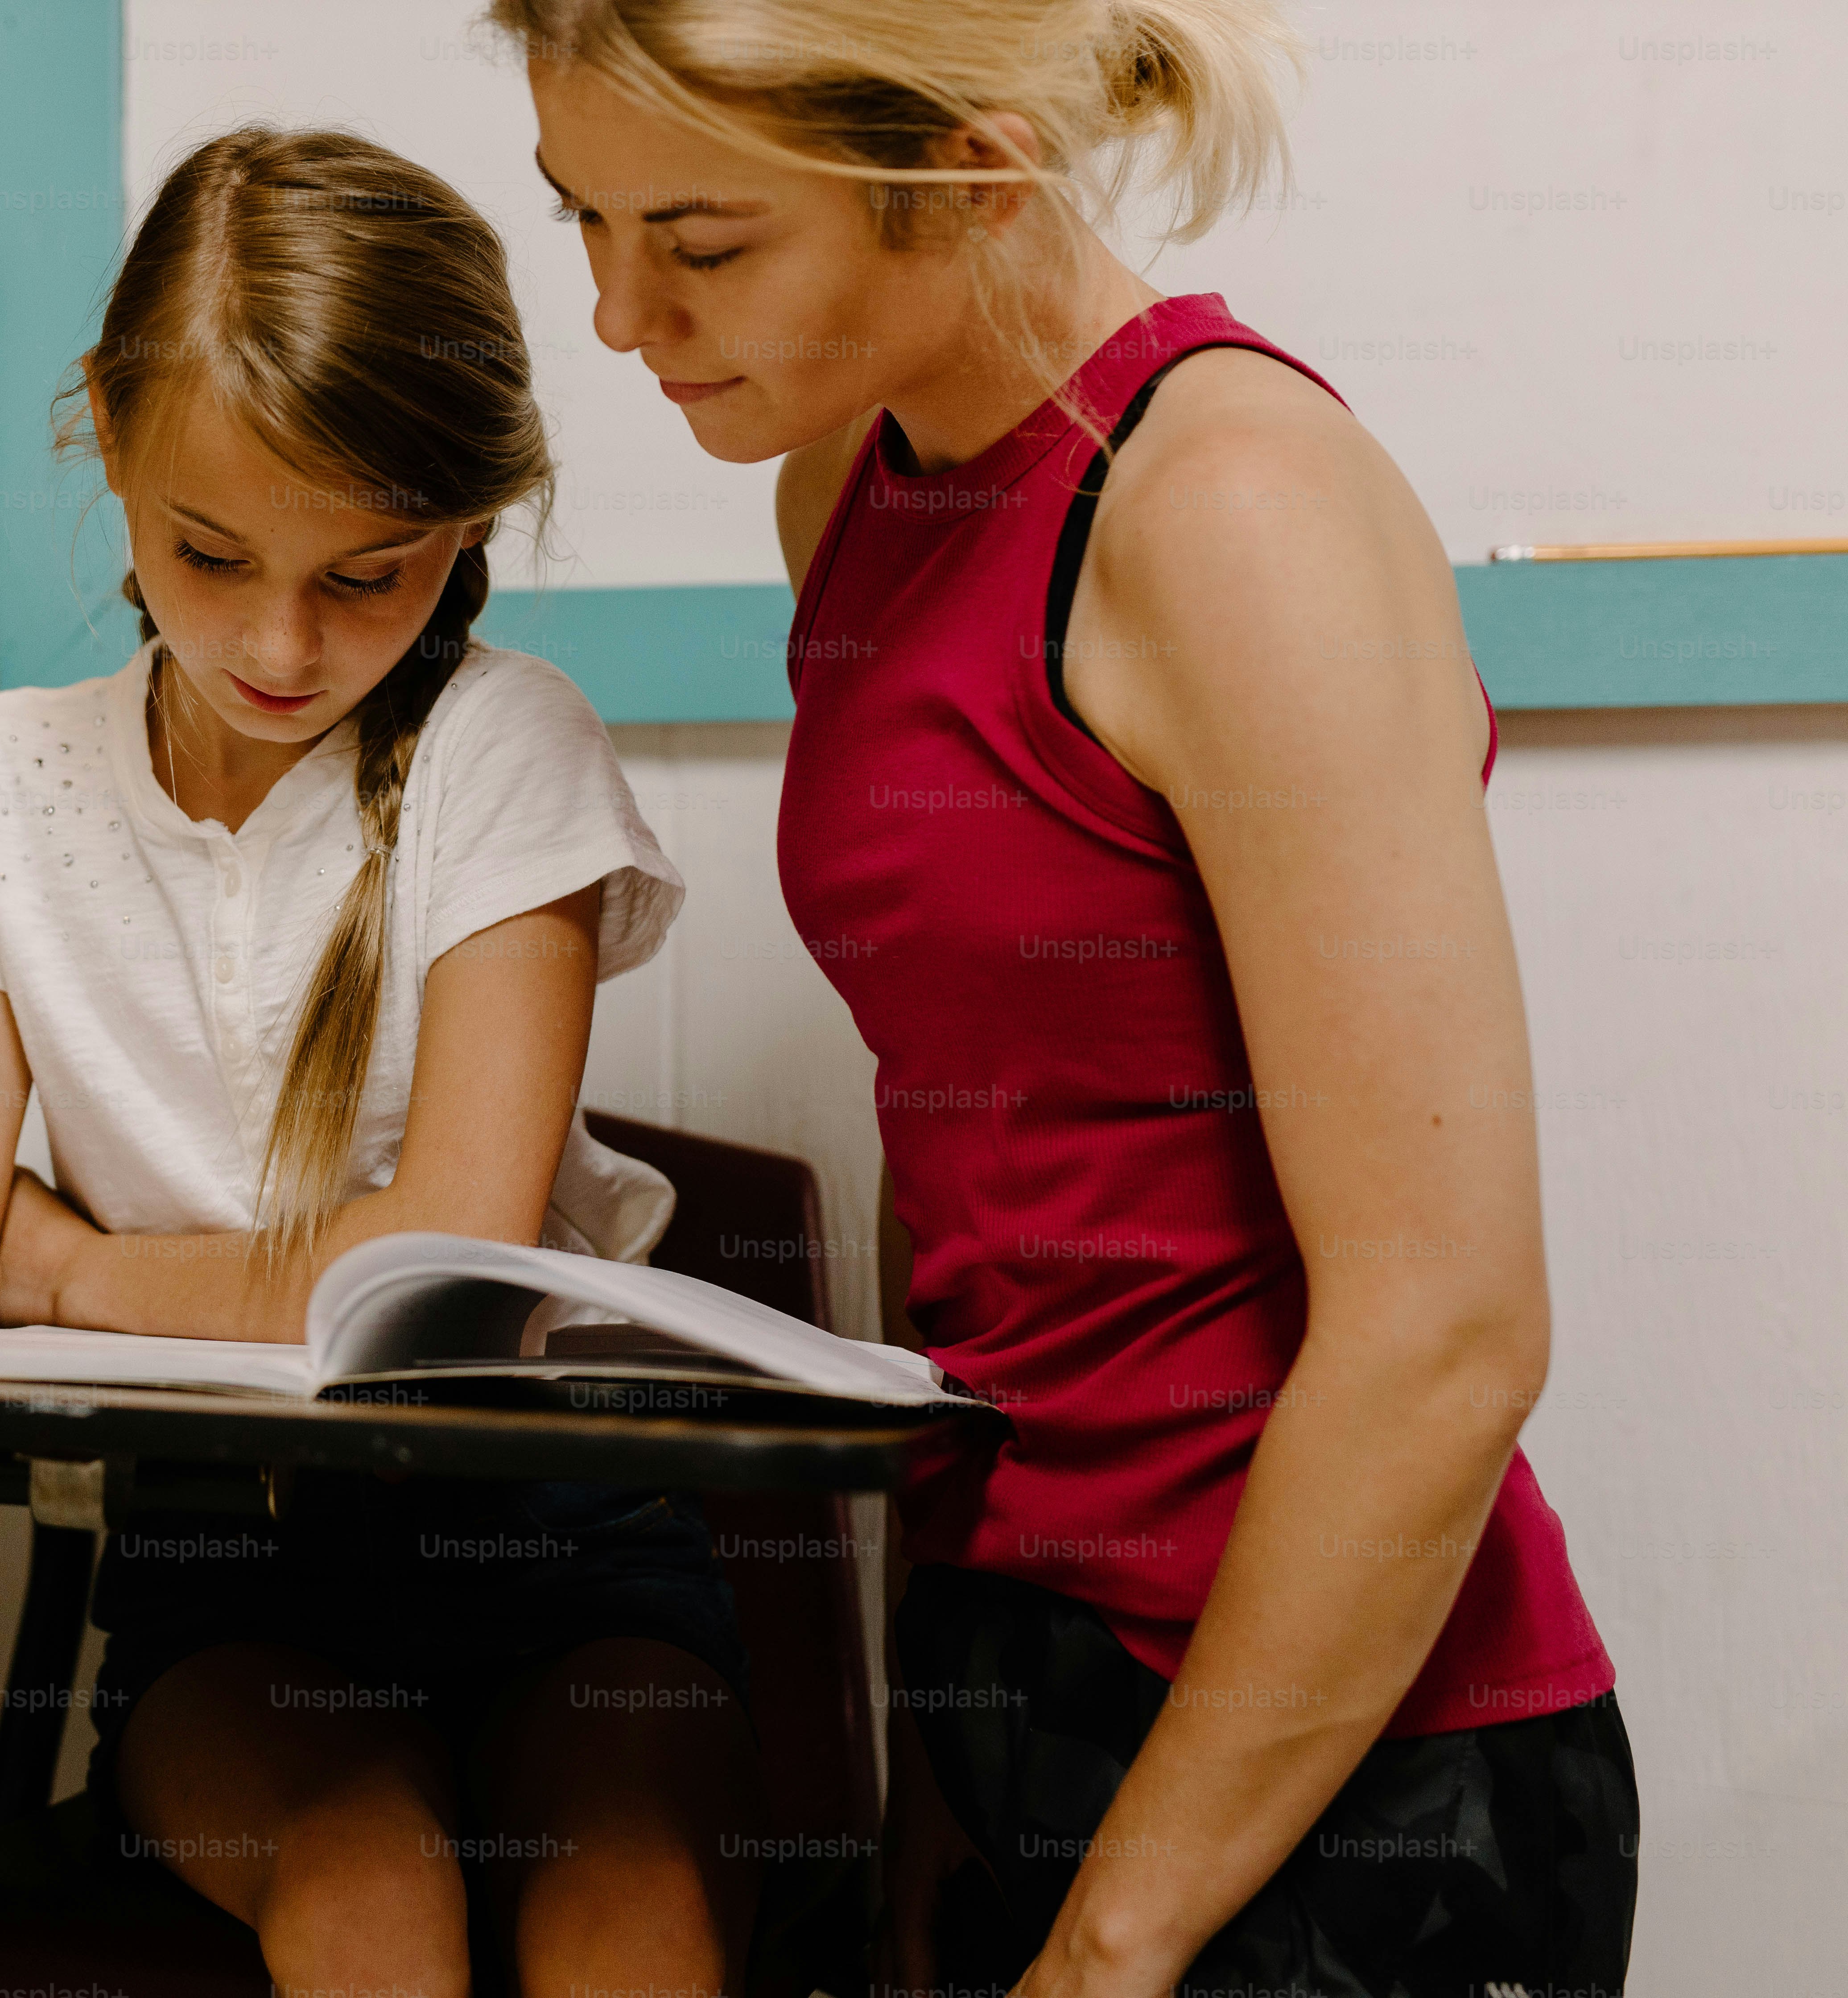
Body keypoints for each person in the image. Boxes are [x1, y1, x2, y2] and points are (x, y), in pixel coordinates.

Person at [505, 2, 1638, 1993]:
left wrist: (1112, 1945)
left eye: (698, 245)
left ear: (974, 167)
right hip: (1027, 1697)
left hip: (1345, 1777)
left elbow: (1449, 1331)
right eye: (579, 222)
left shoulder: (1230, 508)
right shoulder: (848, 487)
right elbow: (990, 1178)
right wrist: (949, 1775)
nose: (618, 319)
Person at [0, 127, 766, 1996]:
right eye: (208, 555)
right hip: (224, 1579)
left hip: (571, 1556)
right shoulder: (10, 776)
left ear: (473, 523)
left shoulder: (506, 750)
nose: (280, 642)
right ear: (106, 437)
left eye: (370, 574)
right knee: (366, 1892)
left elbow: (443, 1280)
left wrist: (72, 1263)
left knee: (627, 1928)